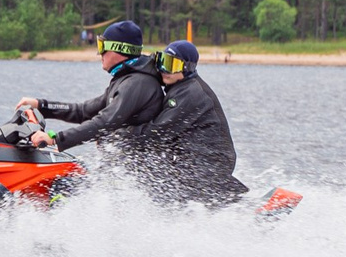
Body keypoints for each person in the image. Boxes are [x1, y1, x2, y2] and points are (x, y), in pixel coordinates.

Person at [16, 20, 163, 155]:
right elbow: (83, 112)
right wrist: (41, 105)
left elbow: (104, 122)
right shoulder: (125, 79)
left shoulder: (136, 84)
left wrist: (55, 138)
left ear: (120, 50)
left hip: (140, 169)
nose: (99, 54)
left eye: (102, 47)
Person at [130, 39, 249, 204]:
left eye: (172, 65)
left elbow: (158, 131)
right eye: (162, 62)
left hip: (210, 161)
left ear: (187, 68)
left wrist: (122, 135)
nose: (165, 70)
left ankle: (241, 207)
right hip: (190, 158)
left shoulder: (190, 93)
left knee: (167, 183)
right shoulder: (179, 87)